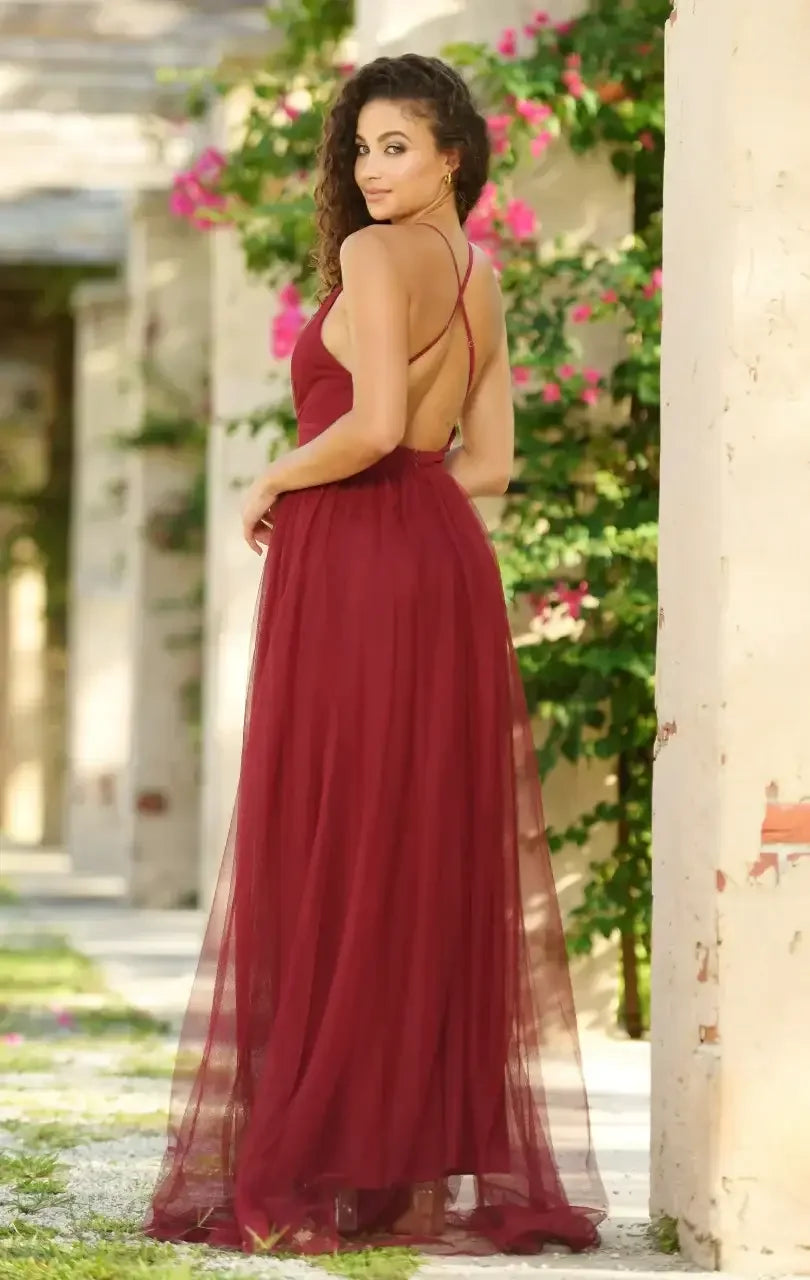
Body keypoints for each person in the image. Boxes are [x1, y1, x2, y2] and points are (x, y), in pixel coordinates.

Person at [144, 53, 606, 1259]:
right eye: (359, 150)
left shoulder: (366, 257)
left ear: (455, 150)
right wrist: (413, 523)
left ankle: (319, 1157)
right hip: (444, 562)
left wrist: (274, 475)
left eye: (395, 145)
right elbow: (486, 462)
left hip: (353, 558)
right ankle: (400, 1173)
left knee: (336, 841)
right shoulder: (482, 273)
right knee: (410, 847)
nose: (370, 170)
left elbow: (375, 425)